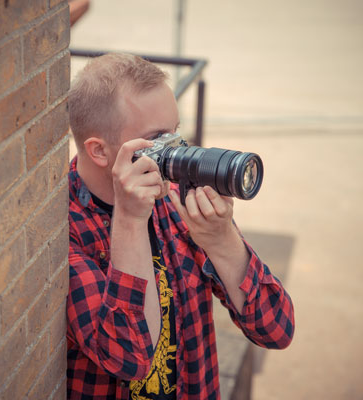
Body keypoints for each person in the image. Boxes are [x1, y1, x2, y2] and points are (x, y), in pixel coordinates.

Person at [66, 53, 294, 400]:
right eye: (159, 138)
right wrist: (130, 221)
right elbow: (129, 359)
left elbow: (276, 329)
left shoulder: (175, 200)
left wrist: (221, 240)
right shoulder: (63, 231)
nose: (176, 147)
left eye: (175, 131)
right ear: (99, 151)